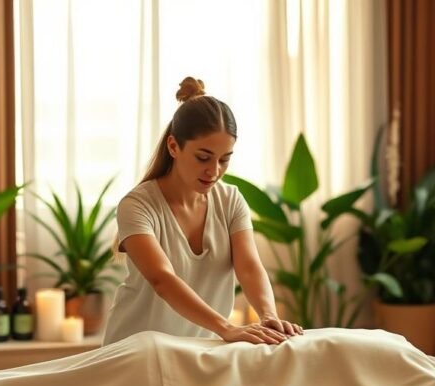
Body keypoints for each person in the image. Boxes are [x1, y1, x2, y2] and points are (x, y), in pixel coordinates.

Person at [103, 77, 302, 346]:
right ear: (174, 147)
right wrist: (227, 328)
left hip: (201, 353)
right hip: (135, 351)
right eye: (203, 157)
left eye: (224, 159)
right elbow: (162, 280)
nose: (214, 171)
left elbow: (249, 266)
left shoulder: (230, 200)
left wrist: (268, 315)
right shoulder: (137, 206)